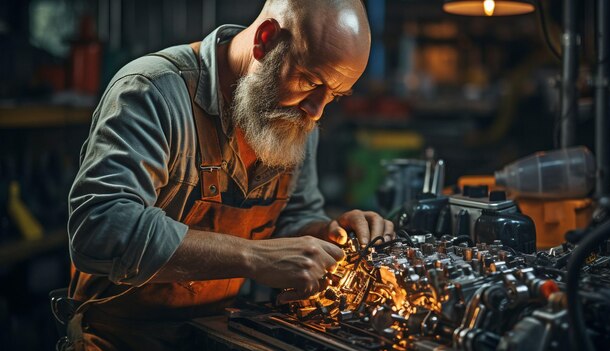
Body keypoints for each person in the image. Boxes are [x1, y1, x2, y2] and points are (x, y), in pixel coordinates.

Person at [65, 0, 394, 349]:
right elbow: (100, 227)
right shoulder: (152, 91)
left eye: (335, 95)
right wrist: (254, 258)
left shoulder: (297, 115)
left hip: (215, 334)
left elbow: (293, 215)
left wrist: (323, 237)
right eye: (311, 81)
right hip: (119, 338)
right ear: (265, 40)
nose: (316, 112)